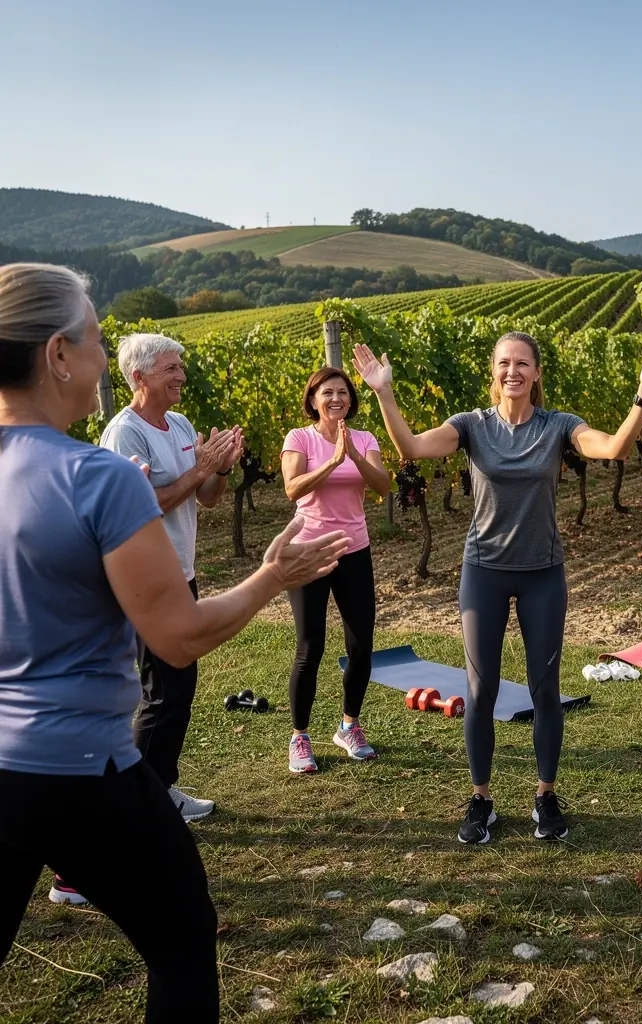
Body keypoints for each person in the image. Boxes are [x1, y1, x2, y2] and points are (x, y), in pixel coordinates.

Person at [0, 262, 349, 1022]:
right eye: (95, 339)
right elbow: (178, 637)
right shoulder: (97, 476)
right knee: (183, 937)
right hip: (77, 768)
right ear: (59, 354)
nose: (103, 357)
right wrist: (270, 576)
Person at [353, 331, 642, 844]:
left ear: (536, 373)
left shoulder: (558, 427)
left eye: (523, 363)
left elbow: (614, 449)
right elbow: (411, 448)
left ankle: (545, 796)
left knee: (543, 689)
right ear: (494, 372)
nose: (513, 371)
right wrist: (383, 392)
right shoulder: (471, 426)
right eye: (505, 363)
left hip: (542, 573)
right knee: (480, 691)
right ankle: (481, 798)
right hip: (484, 570)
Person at [101, 333, 243, 824]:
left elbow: (205, 496)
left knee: (176, 688)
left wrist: (219, 469)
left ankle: (160, 788)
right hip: (144, 577)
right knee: (164, 692)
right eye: (170, 368)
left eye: (180, 365)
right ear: (138, 377)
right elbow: (143, 504)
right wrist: (199, 467)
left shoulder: (179, 423)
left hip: (179, 572)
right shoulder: (125, 434)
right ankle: (142, 803)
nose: (181, 374)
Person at [280, 367, 390, 772]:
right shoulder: (300, 438)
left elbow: (382, 486)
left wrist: (353, 455)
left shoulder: (364, 438)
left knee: (361, 648)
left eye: (342, 392)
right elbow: (292, 488)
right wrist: (333, 461)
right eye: (327, 393)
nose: (336, 399)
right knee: (311, 648)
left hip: (354, 551)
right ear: (313, 400)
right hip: (309, 552)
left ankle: (349, 726)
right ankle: (300, 737)